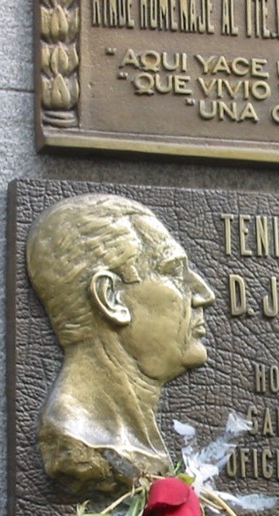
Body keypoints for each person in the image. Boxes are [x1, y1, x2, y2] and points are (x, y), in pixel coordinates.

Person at [26, 193, 215, 496]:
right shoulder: (76, 443)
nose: (204, 294)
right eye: (174, 272)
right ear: (111, 298)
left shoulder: (137, 440)